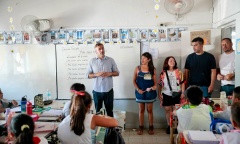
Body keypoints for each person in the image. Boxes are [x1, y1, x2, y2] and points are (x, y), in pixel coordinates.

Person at [86, 43, 119, 117]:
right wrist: (95, 74)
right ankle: (99, 128)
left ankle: (110, 128)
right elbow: (87, 75)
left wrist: (109, 74)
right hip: (97, 91)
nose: (102, 50)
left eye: (102, 48)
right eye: (99, 49)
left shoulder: (110, 60)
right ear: (96, 51)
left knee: (109, 111)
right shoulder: (92, 61)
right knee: (98, 112)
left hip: (108, 91)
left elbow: (117, 73)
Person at [158, 56, 185, 134]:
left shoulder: (179, 72)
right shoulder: (163, 73)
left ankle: (176, 126)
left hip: (177, 94)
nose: (172, 62)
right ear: (167, 62)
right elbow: (160, 84)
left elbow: (183, 83)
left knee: (176, 111)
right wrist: (159, 93)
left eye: (173, 60)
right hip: (166, 94)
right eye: (170, 60)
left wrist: (183, 93)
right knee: (167, 110)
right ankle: (169, 126)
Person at [133, 52, 157, 135]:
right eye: (141, 58)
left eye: (144, 58)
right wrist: (137, 89)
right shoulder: (137, 68)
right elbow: (134, 81)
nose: (142, 60)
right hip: (140, 92)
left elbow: (155, 83)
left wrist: (153, 87)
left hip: (149, 93)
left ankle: (151, 127)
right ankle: (141, 128)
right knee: (141, 110)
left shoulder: (152, 69)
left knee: (149, 110)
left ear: (149, 59)